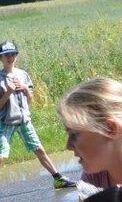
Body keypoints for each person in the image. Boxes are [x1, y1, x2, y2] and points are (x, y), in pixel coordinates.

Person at [0, 41, 76, 189]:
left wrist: (25, 89)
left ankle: (58, 179)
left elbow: (30, 100)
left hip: (24, 121)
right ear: (1, 58)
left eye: (13, 54)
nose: (10, 58)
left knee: (39, 149)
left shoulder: (23, 74)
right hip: (5, 122)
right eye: (6, 55)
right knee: (1, 157)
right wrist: (8, 92)